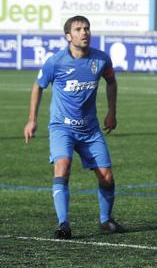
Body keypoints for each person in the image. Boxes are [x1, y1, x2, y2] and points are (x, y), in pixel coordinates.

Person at [23, 15, 123, 239]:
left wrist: (112, 112)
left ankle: (106, 221)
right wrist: (32, 119)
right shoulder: (55, 62)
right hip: (62, 128)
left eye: (87, 28)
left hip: (90, 130)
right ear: (68, 36)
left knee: (106, 176)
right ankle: (63, 224)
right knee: (63, 166)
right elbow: (38, 87)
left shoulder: (101, 59)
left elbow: (111, 82)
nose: (84, 32)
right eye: (78, 29)